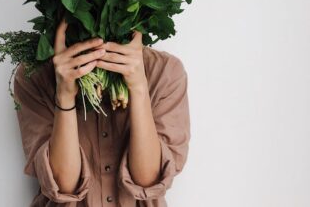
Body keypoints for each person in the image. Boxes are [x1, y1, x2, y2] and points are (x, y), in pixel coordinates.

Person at [13, 16, 191, 206]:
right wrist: (64, 95)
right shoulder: (35, 75)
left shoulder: (164, 72)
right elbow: (63, 186)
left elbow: (148, 181)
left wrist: (139, 88)